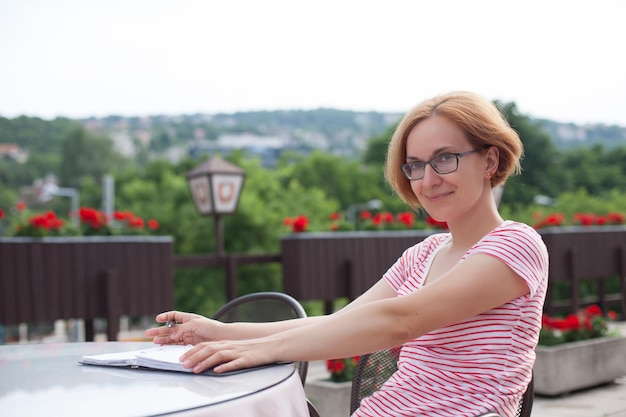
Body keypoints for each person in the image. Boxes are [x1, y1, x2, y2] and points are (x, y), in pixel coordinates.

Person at [145, 91, 549, 417]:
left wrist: (258, 350)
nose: (428, 180)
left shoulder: (515, 244)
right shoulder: (422, 254)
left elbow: (399, 321)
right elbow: (341, 324)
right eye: (415, 165)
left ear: (490, 159)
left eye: (445, 159)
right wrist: (220, 332)